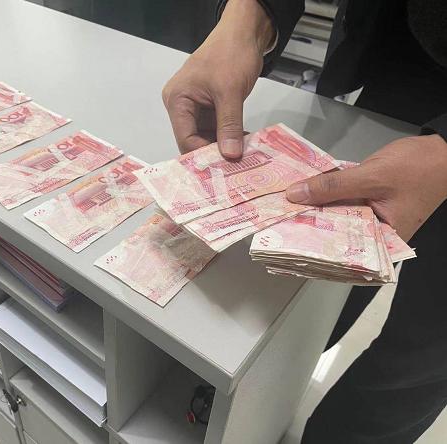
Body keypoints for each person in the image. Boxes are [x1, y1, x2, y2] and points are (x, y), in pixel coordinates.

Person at [162, 0, 447, 442]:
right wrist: (249, 16)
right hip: (405, 55)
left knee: (413, 363)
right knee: (314, 296)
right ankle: (257, 410)